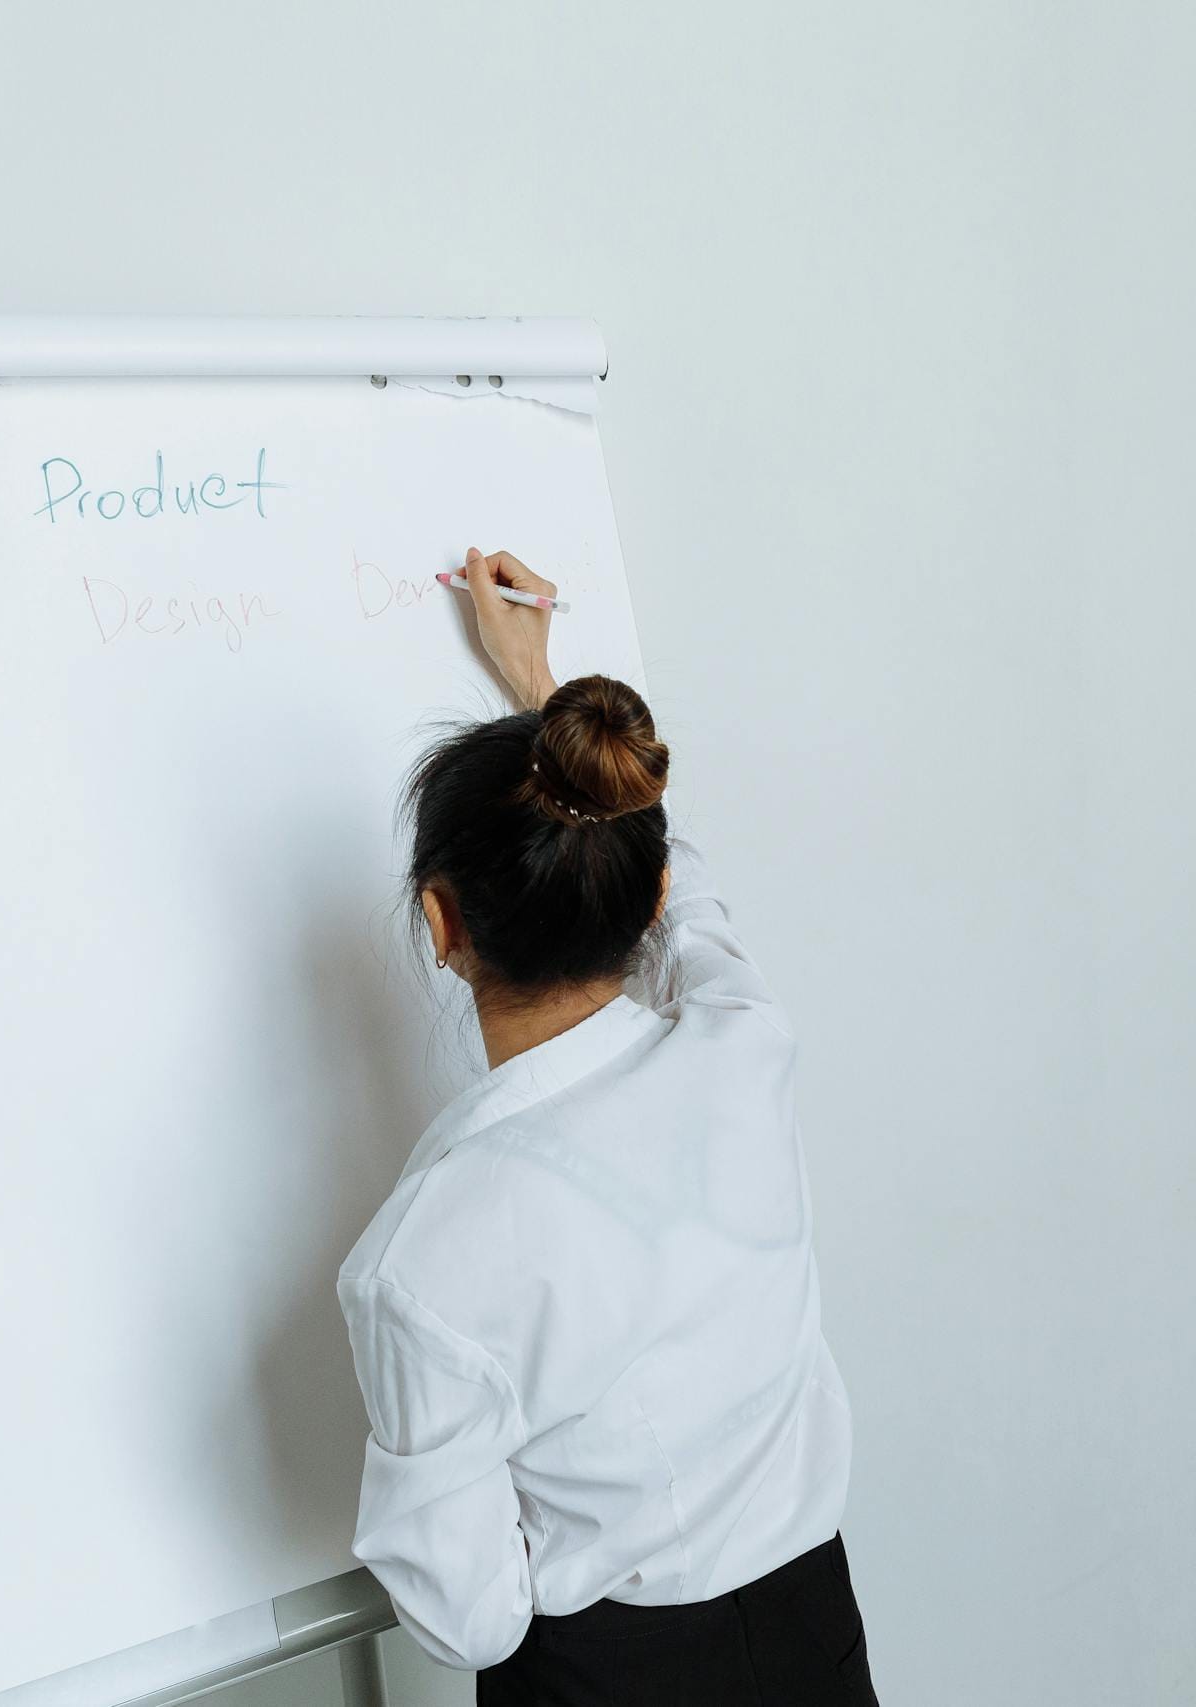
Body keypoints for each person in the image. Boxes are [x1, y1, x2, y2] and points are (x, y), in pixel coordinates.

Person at [339, 549, 876, 1705]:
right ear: (652, 897)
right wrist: (542, 689)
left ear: (440, 922)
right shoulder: (743, 1046)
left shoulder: (417, 1265)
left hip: (611, 1686)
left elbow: (467, 1618)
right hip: (815, 1645)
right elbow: (687, 897)